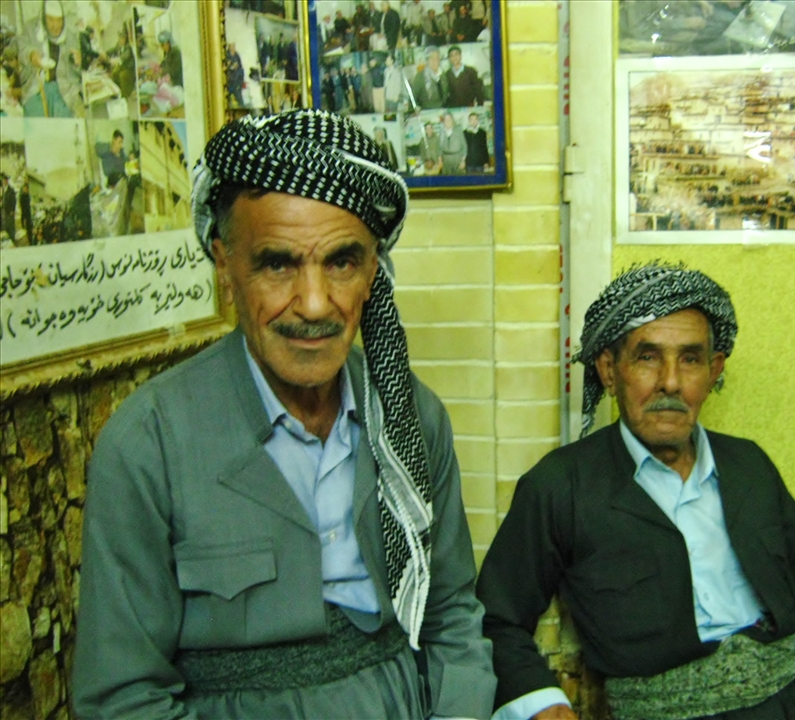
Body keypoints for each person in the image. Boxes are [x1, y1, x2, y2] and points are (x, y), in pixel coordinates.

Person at [73, 109, 497, 719]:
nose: (315, 303)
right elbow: (123, 699)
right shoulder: (148, 446)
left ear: (373, 270)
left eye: (342, 263)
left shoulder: (411, 417)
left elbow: (451, 612)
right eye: (277, 264)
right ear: (224, 264)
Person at [477, 262, 795, 720]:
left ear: (714, 371)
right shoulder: (560, 486)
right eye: (648, 357)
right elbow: (496, 620)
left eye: (690, 359)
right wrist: (547, 707)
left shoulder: (749, 466)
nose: (670, 382)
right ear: (610, 371)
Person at [439, 111, 466, 175]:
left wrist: (463, 161)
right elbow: (439, 148)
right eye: (446, 119)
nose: (447, 121)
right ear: (443, 122)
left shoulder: (459, 131)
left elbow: (464, 147)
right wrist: (440, 160)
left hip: (457, 159)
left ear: (452, 120)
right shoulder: (442, 133)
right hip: (446, 161)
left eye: (449, 119)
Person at [225, 42, 244, 107]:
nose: (233, 47)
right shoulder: (226, 55)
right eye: (232, 46)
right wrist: (231, 66)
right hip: (229, 80)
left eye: (234, 46)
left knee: (239, 98)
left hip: (236, 81)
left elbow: (240, 67)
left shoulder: (237, 55)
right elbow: (226, 66)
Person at [1, 173, 16, 242]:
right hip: (4, 211)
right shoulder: (3, 190)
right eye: (3, 180)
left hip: (9, 212)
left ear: (7, 181)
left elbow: (14, 201)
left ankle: (13, 239)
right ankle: (7, 241)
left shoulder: (11, 190)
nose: (4, 181)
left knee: (10, 227)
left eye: (5, 180)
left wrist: (12, 210)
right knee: (5, 226)